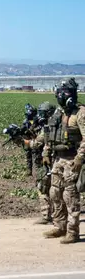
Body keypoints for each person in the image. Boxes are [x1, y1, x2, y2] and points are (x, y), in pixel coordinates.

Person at [42, 78, 85, 244]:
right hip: (58, 159)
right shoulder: (59, 113)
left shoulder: (80, 113)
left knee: (70, 196)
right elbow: (49, 133)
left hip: (72, 159)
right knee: (55, 193)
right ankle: (59, 226)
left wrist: (80, 158)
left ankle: (72, 232)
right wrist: (46, 152)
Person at [29, 101, 62, 225]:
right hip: (56, 161)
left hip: (49, 162)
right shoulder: (56, 125)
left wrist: (24, 141)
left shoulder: (49, 127)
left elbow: (36, 143)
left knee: (43, 187)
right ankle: (56, 216)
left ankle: (47, 216)